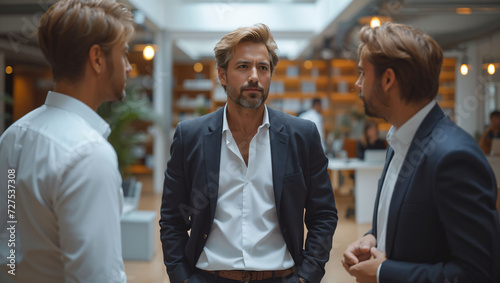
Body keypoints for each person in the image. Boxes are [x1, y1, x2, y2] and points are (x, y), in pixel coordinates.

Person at [159, 23, 338, 283]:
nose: (254, 76)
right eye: (243, 66)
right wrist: (181, 277)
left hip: (281, 275)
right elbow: (172, 218)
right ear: (222, 75)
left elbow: (323, 215)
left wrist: (307, 277)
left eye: (262, 68)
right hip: (209, 276)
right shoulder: (191, 136)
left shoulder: (302, 135)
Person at [342, 22, 500, 283]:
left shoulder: (454, 157)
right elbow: (414, 227)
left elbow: (478, 273)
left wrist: (383, 272)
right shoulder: (400, 141)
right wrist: (374, 237)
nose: (358, 84)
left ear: (388, 79)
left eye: (362, 73)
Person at [0, 0, 134, 282]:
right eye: (123, 54)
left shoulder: (14, 135)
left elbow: (8, 242)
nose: (129, 67)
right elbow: (97, 276)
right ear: (97, 59)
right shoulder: (89, 154)